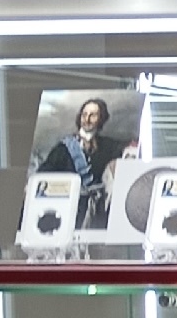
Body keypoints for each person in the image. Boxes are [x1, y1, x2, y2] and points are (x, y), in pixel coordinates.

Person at [32, 95, 122, 228]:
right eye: (84, 114)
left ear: (101, 118)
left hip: (98, 212)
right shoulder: (63, 148)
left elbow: (127, 153)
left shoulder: (108, 146)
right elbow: (43, 175)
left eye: (93, 115)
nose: (87, 119)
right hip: (71, 210)